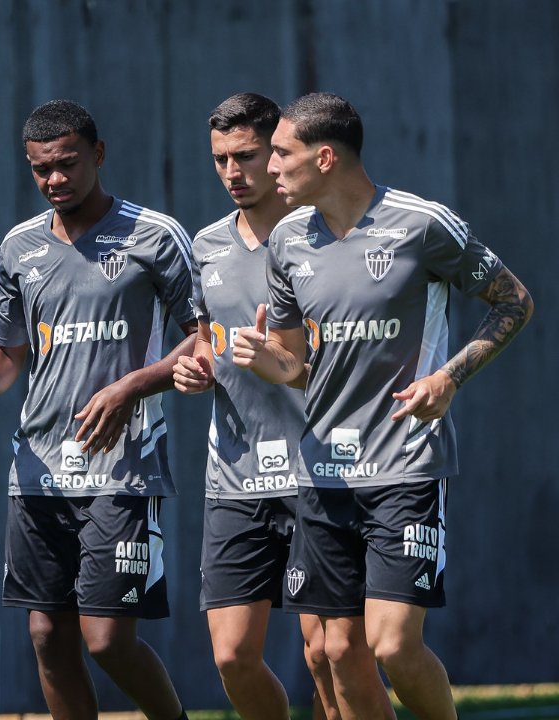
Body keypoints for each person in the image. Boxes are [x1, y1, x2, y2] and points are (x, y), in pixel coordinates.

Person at [233, 92, 533, 720]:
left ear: (323, 157)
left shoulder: (423, 224)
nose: (268, 168)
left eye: (280, 153)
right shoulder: (287, 240)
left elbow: (514, 302)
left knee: (392, 645)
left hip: (406, 465)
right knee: (337, 652)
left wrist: (449, 377)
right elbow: (294, 365)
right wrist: (268, 360)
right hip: (322, 474)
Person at [0, 99, 196, 720]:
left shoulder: (156, 235)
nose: (54, 180)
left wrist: (131, 388)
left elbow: (209, 336)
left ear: (98, 153)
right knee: (46, 634)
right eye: (40, 170)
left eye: (66, 164)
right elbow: (8, 351)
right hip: (37, 470)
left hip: (124, 468)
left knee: (108, 639)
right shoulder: (18, 246)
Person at [173, 92, 356, 720]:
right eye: (221, 159)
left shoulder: (326, 240)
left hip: (320, 468)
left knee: (324, 652)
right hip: (235, 473)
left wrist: (281, 360)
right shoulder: (205, 246)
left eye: (246, 156)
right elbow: (207, 336)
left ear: (276, 149)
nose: (232, 172)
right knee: (231, 657)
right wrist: (196, 366)